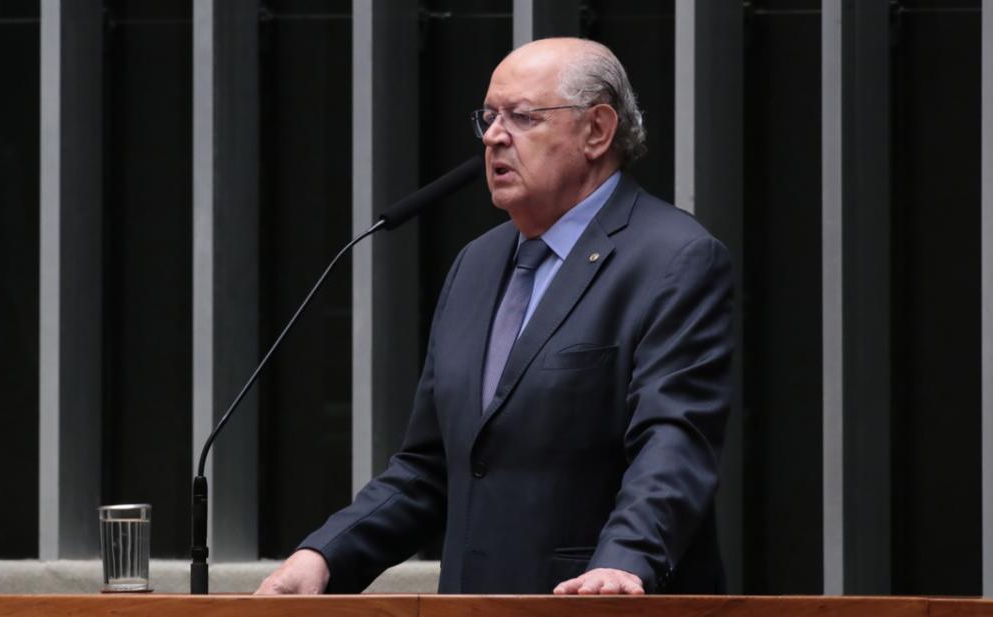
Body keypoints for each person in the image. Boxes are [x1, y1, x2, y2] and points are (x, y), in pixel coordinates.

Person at [257, 37, 733, 596]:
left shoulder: (673, 258)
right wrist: (323, 557)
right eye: (488, 117)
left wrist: (625, 561)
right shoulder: (476, 265)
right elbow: (429, 467)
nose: (493, 136)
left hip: (596, 602)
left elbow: (673, 440)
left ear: (597, 131)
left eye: (523, 117)